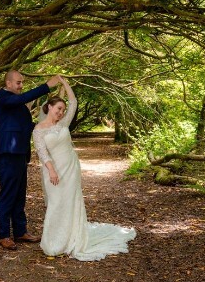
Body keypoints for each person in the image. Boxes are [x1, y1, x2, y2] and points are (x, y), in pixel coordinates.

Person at [33, 76, 136, 261]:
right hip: (53, 170)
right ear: (49, 107)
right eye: (58, 109)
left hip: (71, 167)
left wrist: (65, 83)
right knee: (56, 203)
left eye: (63, 110)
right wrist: (51, 170)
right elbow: (42, 152)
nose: (61, 113)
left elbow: (73, 102)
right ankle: (53, 242)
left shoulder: (63, 124)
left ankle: (73, 239)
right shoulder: (38, 130)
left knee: (71, 202)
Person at [0, 69, 60, 250]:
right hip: (8, 152)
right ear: (8, 83)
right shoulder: (3, 97)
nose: (21, 86)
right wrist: (47, 86)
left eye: (22, 82)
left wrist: (44, 126)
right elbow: (21, 99)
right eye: (18, 83)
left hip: (21, 153)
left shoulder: (17, 104)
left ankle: (20, 231)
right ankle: (4, 235)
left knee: (20, 194)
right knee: (8, 193)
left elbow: (25, 126)